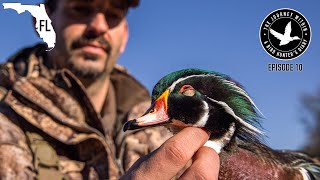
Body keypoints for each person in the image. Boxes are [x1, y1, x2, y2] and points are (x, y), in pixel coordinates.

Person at [0, 0, 219, 179]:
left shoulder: (162, 122)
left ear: (124, 36)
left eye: (113, 14)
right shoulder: (5, 112)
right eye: (80, 9)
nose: (98, 26)